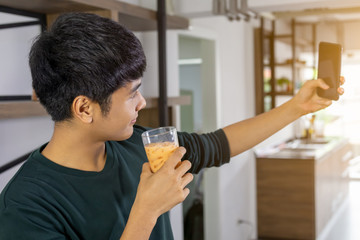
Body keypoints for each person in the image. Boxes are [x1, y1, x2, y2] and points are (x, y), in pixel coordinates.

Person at [0, 12, 344, 240]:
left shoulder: (138, 143)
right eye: (132, 93)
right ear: (84, 108)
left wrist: (297, 107)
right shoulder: (27, 206)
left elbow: (216, 145)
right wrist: (145, 212)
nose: (142, 102)